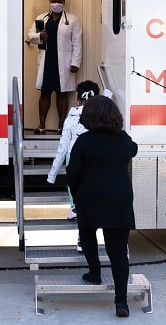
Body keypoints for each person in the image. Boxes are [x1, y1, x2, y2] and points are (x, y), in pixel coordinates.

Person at [67, 96, 138, 318]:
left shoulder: (84, 141)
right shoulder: (123, 139)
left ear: (89, 116)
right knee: (118, 252)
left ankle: (94, 272)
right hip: (119, 198)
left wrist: (77, 195)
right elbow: (133, 150)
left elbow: (72, 173)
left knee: (87, 234)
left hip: (90, 196)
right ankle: (121, 302)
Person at [27, 0, 82, 132]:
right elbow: (30, 36)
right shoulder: (41, 19)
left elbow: (77, 42)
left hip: (64, 63)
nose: (56, 3)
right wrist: (40, 36)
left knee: (61, 93)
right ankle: (42, 125)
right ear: (49, 1)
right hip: (47, 60)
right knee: (44, 93)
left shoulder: (72, 20)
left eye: (59, 0)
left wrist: (75, 62)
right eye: (53, 0)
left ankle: (61, 126)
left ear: (63, 1)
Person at [47, 80, 100, 225]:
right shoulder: (101, 117)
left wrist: (52, 175)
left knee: (73, 182)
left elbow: (62, 147)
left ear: (78, 99)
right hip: (94, 155)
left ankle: (75, 208)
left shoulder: (70, 119)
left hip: (73, 154)